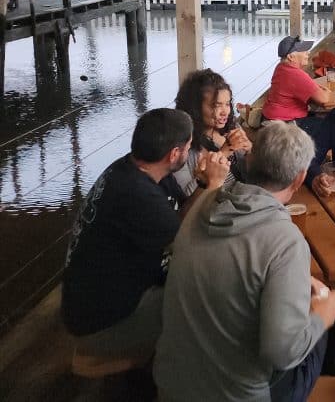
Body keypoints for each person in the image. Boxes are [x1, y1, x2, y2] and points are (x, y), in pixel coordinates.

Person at [154, 122, 335, 402]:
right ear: (300, 179)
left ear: (249, 162)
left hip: (170, 385)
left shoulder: (204, 204)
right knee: (318, 330)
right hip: (236, 396)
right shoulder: (286, 241)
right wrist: (322, 317)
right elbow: (281, 352)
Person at [61, 109, 228, 361]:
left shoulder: (138, 169)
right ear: (174, 154)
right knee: (212, 301)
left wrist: (204, 185)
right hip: (101, 327)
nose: (193, 150)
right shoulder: (137, 195)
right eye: (189, 146)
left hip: (109, 299)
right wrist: (216, 186)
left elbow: (178, 219)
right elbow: (194, 241)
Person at [174, 68, 251, 198]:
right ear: (195, 107)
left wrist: (251, 151)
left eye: (227, 104)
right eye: (216, 105)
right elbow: (187, 197)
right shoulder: (182, 145)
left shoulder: (232, 127)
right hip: (214, 211)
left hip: (244, 201)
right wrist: (224, 152)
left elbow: (252, 176)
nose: (225, 112)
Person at [261, 36, 331, 142]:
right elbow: (324, 100)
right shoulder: (295, 74)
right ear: (291, 57)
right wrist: (327, 92)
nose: (308, 53)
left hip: (271, 119)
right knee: (332, 125)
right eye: (303, 50)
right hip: (285, 126)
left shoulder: (280, 68)